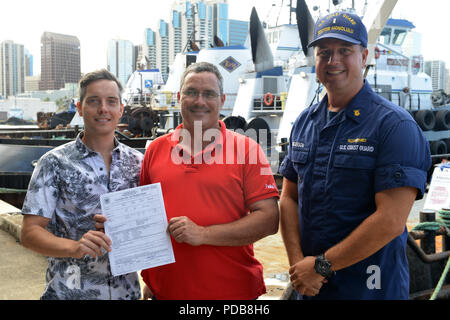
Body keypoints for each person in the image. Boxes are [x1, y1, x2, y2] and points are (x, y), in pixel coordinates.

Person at [279, 11, 431, 299]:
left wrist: (321, 267)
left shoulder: (394, 126)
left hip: (370, 290)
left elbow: (390, 220)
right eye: (324, 53)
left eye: (344, 51)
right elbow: (288, 198)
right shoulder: (304, 122)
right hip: (311, 287)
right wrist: (299, 265)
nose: (333, 60)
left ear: (364, 56)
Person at [139, 62, 279, 299]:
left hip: (231, 293)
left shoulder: (249, 150)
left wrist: (203, 234)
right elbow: (144, 216)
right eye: (191, 92)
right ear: (178, 97)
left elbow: (269, 220)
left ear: (222, 99)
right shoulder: (155, 150)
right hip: (165, 292)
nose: (199, 101)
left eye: (209, 94)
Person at [21, 69, 143, 300]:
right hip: (69, 293)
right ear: (79, 108)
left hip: (126, 294)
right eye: (94, 101)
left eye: (111, 101)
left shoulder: (139, 163)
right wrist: (75, 247)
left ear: (121, 110)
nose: (103, 109)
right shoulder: (54, 163)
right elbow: (29, 233)